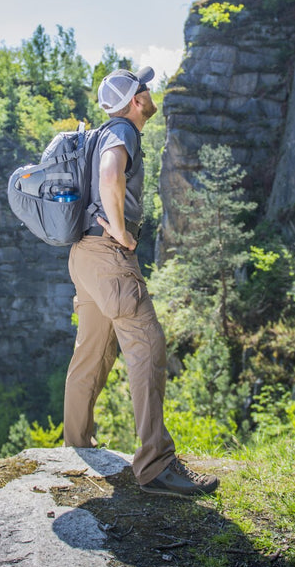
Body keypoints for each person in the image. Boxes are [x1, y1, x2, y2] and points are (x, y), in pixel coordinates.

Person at [62, 66, 220, 498]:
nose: (152, 94)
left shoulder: (97, 133)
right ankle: (155, 467)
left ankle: (75, 443)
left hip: (83, 255)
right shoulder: (124, 133)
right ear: (136, 101)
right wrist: (122, 231)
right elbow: (112, 174)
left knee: (92, 352)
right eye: (145, 89)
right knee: (148, 346)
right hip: (109, 258)